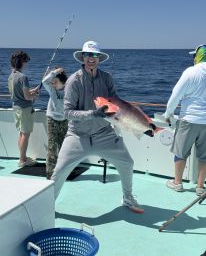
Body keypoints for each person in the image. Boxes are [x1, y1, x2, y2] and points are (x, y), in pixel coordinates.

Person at [51, 40, 144, 213]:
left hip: (104, 133)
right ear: (82, 57)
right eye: (87, 55)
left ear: (99, 58)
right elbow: (68, 113)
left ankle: (128, 198)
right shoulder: (74, 81)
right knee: (59, 171)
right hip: (77, 136)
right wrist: (92, 114)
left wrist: (139, 124)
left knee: (127, 163)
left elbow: (116, 102)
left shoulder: (107, 78)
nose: (91, 58)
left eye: (95, 55)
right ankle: (47, 205)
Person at [164, 45, 206, 196]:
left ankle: (178, 183)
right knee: (204, 156)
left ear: (197, 56)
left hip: (189, 119)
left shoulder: (191, 72)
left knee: (180, 153)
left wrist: (168, 113)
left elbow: (176, 95)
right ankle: (200, 187)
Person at [8, 50, 39, 167]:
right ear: (22, 62)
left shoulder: (11, 76)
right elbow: (27, 96)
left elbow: (20, 93)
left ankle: (22, 157)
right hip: (25, 109)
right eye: (26, 62)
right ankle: (22, 160)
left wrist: (32, 92)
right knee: (25, 134)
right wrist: (34, 95)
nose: (27, 64)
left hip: (16, 108)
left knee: (21, 133)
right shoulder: (23, 77)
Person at [42, 68, 68, 179]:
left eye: (55, 81)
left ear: (63, 82)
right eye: (52, 81)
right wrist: (55, 72)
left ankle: (63, 170)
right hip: (52, 119)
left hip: (64, 120)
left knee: (64, 146)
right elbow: (44, 81)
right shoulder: (52, 89)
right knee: (52, 147)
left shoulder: (69, 90)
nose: (53, 83)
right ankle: (50, 173)